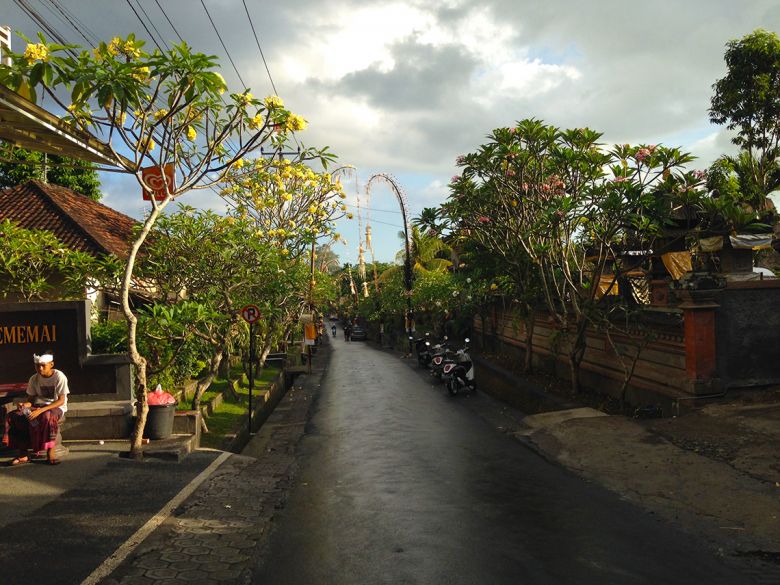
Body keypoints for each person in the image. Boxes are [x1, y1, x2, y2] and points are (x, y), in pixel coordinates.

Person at [5, 352, 69, 466]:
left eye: (43, 365)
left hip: (56, 407)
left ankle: (50, 452)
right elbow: (31, 400)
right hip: (38, 406)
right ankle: (23, 454)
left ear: (51, 364)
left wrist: (41, 410)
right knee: (14, 416)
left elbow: (61, 401)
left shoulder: (59, 376)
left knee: (47, 417)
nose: (40, 368)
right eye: (37, 365)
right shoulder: (34, 379)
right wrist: (24, 405)